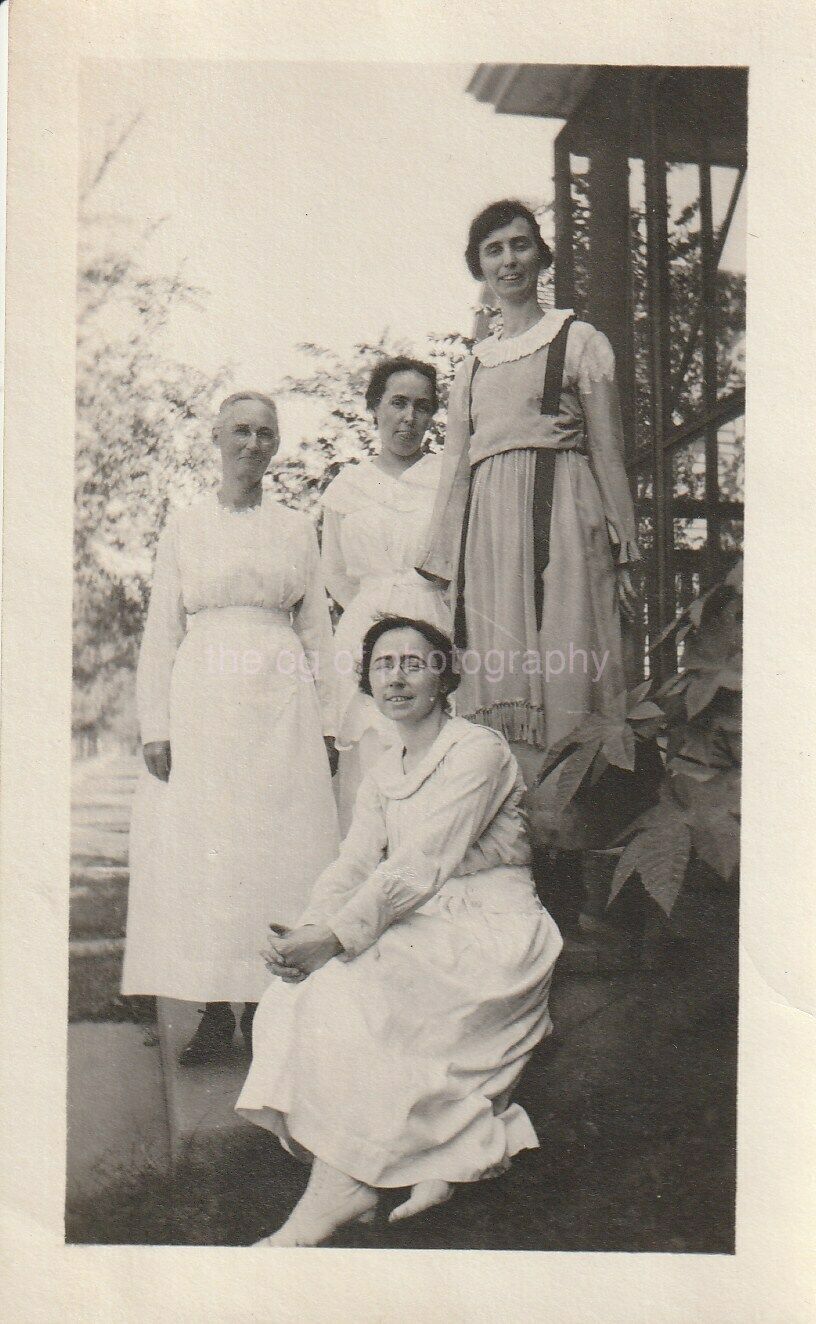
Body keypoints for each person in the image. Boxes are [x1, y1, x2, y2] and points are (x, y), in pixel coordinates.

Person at [235, 616, 562, 1247]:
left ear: (444, 677)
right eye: (384, 665)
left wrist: (332, 941)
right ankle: (382, 1171)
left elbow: (422, 862)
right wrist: (309, 929)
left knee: (350, 992)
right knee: (301, 993)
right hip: (419, 916)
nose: (397, 678)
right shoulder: (386, 766)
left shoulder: (478, 750)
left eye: (415, 663)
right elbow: (356, 861)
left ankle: (343, 1192)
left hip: (493, 928)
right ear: (368, 681)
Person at [122, 391, 340, 1063]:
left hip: (281, 706)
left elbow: (317, 632)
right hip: (203, 704)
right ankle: (215, 1010)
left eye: (265, 433)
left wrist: (331, 724)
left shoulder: (297, 527)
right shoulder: (186, 526)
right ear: (216, 437)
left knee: (277, 850)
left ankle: (269, 1007)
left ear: (276, 446)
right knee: (210, 851)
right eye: (240, 430)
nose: (252, 443)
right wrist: (155, 726)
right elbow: (161, 632)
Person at [417, 199, 641, 788]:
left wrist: (626, 546)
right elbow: (456, 470)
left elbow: (608, 451)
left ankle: (575, 820)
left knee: (570, 656)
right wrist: (441, 564)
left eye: (520, 244)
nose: (509, 260)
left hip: (564, 517)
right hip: (490, 540)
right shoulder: (471, 368)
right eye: (494, 250)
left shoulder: (580, 341)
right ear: (478, 267)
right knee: (499, 671)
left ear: (541, 255)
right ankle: (514, 826)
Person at [321, 357, 449, 832]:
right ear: (374, 408)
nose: (409, 417)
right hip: (364, 630)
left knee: (431, 758)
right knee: (371, 762)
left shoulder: (448, 481)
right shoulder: (346, 489)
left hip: (434, 621)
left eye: (422, 406)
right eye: (397, 403)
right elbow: (335, 572)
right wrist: (377, 602)